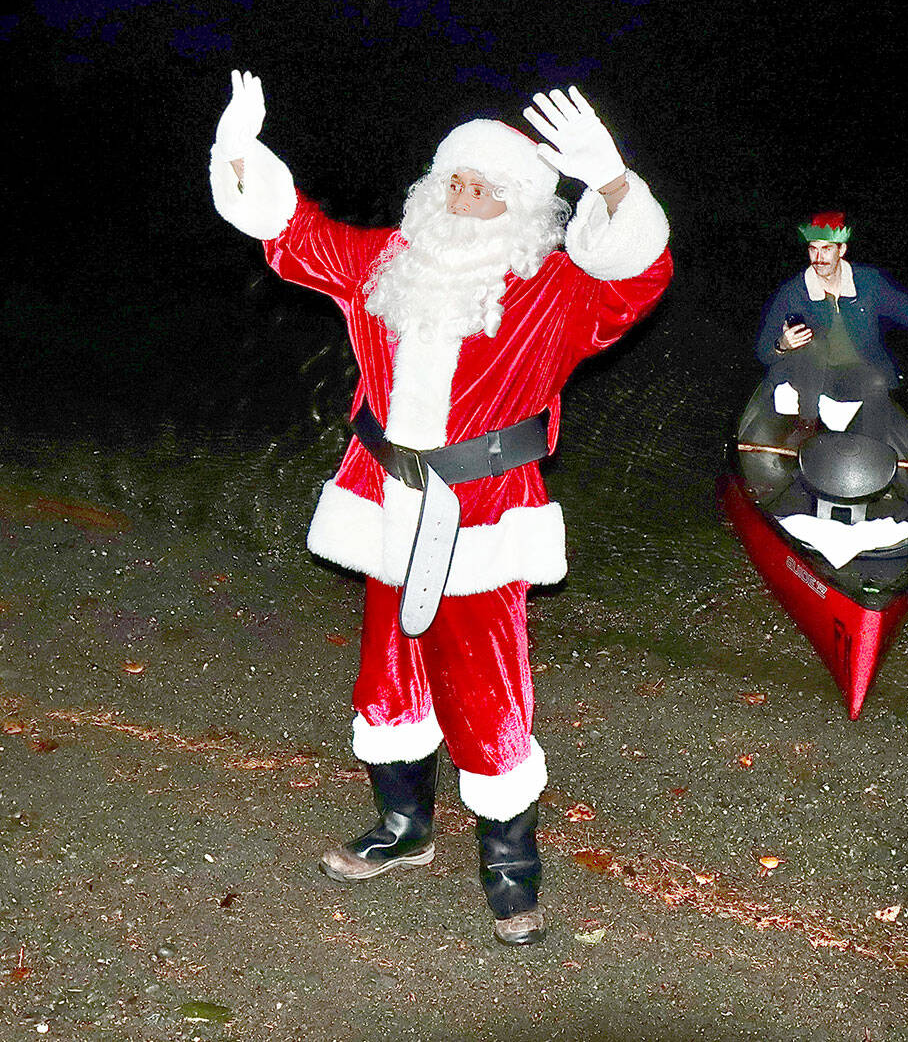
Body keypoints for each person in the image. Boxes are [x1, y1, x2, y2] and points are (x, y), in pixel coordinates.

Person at [208, 72, 672, 945]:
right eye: (454, 180)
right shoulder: (386, 262)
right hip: (385, 501)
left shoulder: (555, 289)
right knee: (389, 675)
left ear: (525, 207)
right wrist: (238, 152)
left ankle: (509, 858)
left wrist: (612, 184)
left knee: (487, 688)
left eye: (486, 188)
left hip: (487, 513)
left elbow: (637, 279)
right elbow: (291, 233)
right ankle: (404, 827)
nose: (463, 197)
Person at [754, 211, 908, 439]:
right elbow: (763, 351)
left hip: (851, 376)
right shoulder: (794, 292)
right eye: (813, 249)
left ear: (842, 250)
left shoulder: (868, 282)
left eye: (826, 249)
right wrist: (782, 345)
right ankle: (807, 426)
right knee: (813, 345)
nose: (818, 257)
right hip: (808, 378)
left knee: (877, 381)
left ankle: (873, 448)